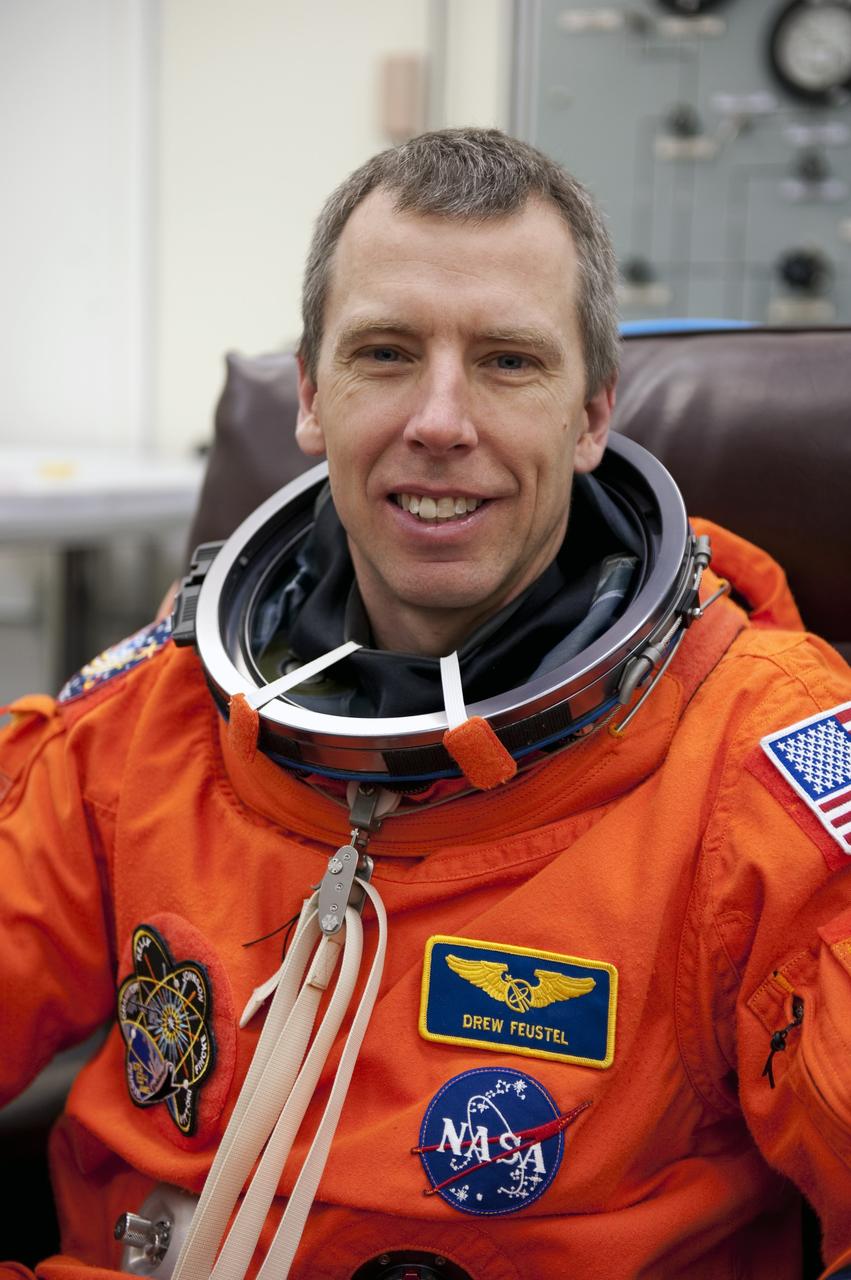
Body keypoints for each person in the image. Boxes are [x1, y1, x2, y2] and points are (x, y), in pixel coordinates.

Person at [2, 127, 851, 1280]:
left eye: (507, 360)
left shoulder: (760, 764)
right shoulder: (152, 716)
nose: (439, 421)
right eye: (386, 353)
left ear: (593, 413)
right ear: (311, 394)